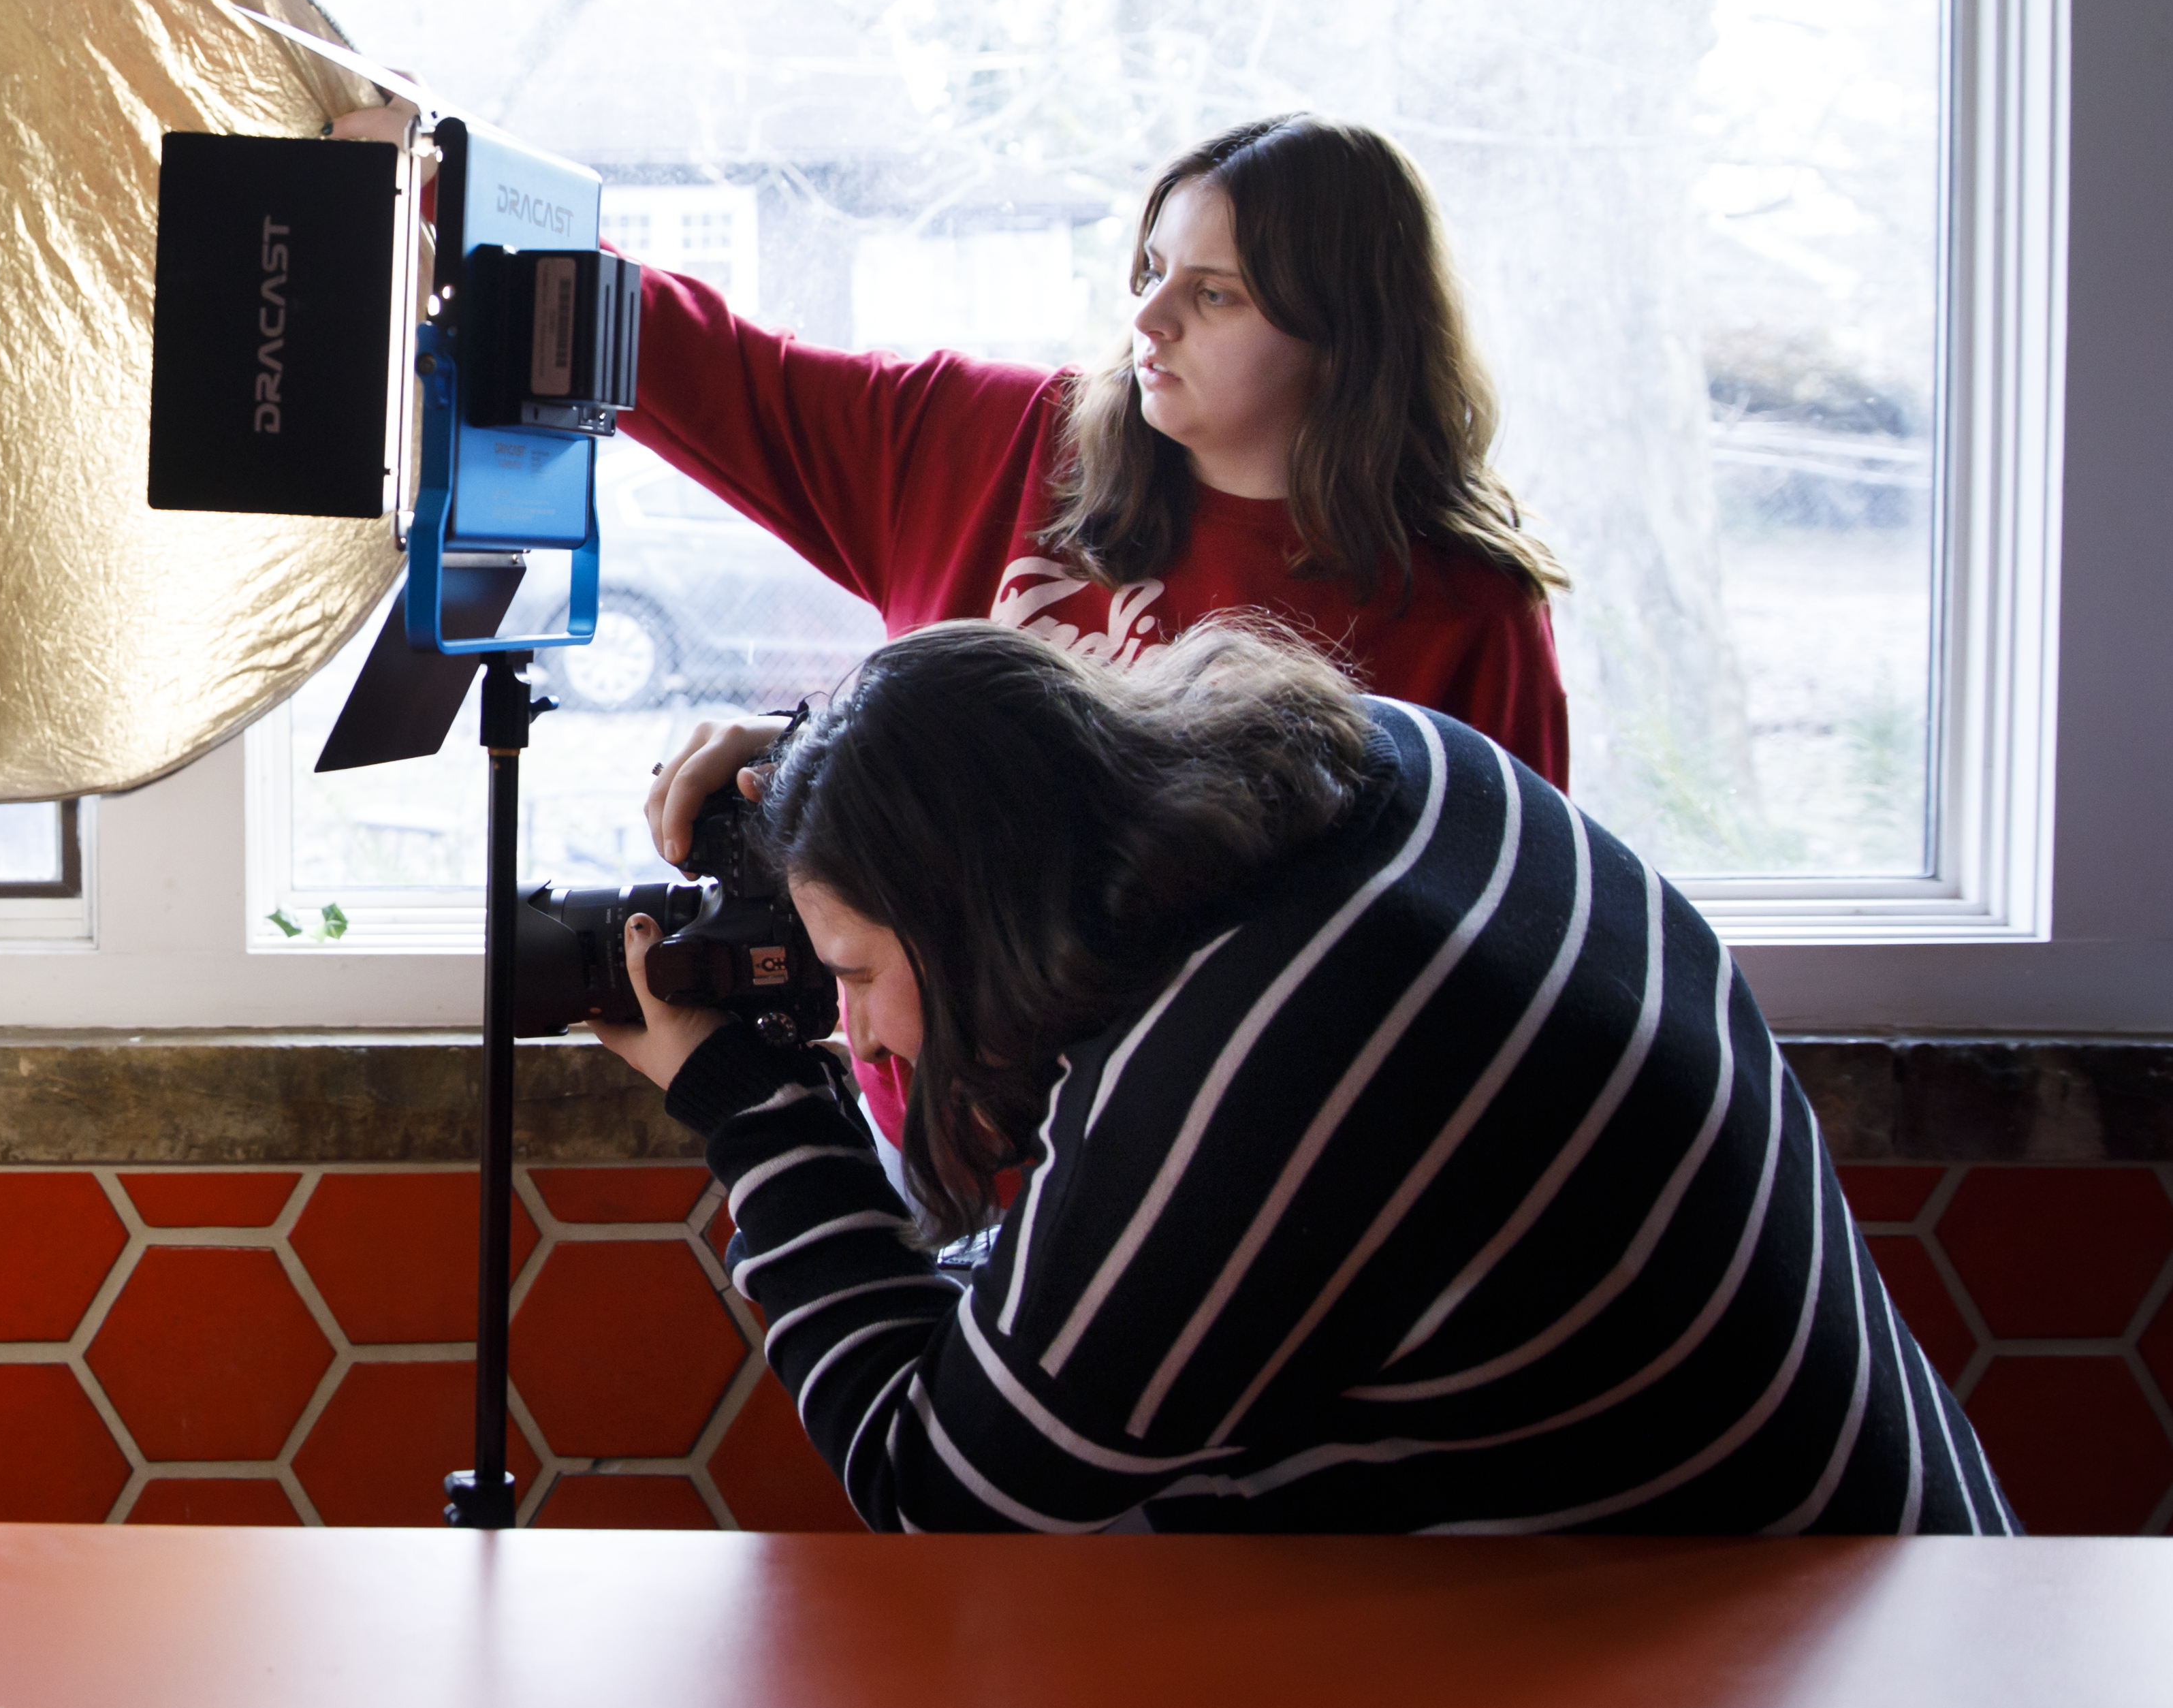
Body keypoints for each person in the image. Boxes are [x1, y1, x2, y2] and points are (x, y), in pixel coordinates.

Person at [594, 622, 2010, 1534]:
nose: (853, 1030)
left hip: (1764, 1668)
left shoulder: (1239, 1066)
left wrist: (749, 1106)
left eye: (852, 969)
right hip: (1877, 1541)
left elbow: (939, 1486)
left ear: (981, 919)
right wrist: (842, 806)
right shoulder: (1385, 761)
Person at [633, 111, 1568, 776]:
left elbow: (1499, 948)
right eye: (1151, 271)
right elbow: (697, 365)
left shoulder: (1466, 611)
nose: (1148, 319)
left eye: (1213, 294)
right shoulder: (988, 441)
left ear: (1346, 340)